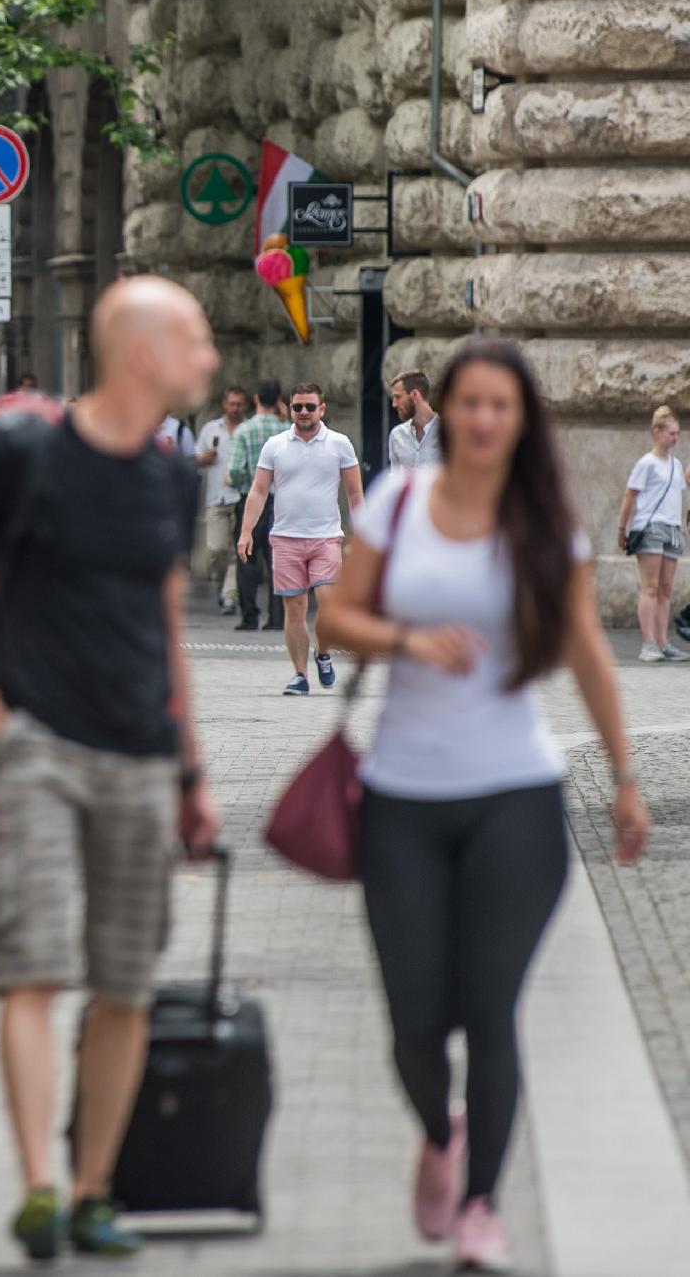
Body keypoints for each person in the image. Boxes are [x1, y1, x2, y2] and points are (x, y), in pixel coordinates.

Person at [0, 276, 219, 1262]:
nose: (207, 360)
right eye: (193, 341)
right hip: (33, 748)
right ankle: (36, 1184)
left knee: (124, 980)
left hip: (141, 758)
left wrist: (191, 769)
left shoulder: (169, 477)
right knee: (31, 966)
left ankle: (91, 1188)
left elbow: (164, 631)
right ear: (143, 353)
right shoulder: (25, 455)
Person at [316, 338, 650, 1271]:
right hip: (403, 798)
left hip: (516, 796)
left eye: (503, 405)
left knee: (491, 1005)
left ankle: (481, 1204)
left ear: (520, 419)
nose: (485, 419)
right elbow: (339, 617)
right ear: (446, 411)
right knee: (416, 1021)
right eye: (470, 403)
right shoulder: (399, 503)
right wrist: (409, 641)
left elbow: (587, 651)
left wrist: (625, 777)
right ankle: (438, 1129)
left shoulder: (543, 522)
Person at [236, 382, 362, 694]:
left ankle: (322, 652)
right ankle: (300, 675)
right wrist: (246, 531)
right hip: (285, 537)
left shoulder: (340, 443)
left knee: (329, 605)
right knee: (295, 608)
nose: (303, 412)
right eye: (297, 407)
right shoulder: (275, 445)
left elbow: (354, 493)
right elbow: (259, 490)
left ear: (322, 409)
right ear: (289, 409)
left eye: (309, 406)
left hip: (326, 537)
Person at [619, 405, 689, 663]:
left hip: (672, 528)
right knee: (650, 586)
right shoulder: (646, 463)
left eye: (678, 433)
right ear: (656, 432)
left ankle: (663, 642)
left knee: (666, 588)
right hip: (649, 527)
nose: (676, 438)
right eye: (671, 433)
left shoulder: (676, 464)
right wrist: (621, 528)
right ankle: (648, 643)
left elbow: (680, 490)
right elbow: (630, 496)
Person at [227, 382, 286, 632]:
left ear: (255, 399)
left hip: (251, 499)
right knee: (277, 560)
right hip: (281, 501)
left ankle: (249, 615)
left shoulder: (244, 430)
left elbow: (236, 469)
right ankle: (276, 617)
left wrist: (242, 485)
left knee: (247, 558)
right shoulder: (287, 430)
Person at [194, 386, 247, 615]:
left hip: (240, 496)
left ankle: (229, 596)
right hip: (216, 497)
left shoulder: (248, 429)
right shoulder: (210, 429)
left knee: (237, 550)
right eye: (231, 404)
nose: (235, 408)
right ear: (224, 405)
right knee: (216, 549)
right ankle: (220, 583)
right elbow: (196, 456)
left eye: (239, 404)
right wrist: (205, 458)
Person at [387, 369, 442, 472]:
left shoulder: (449, 433)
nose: (394, 404)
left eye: (398, 397)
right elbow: (395, 478)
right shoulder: (397, 435)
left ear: (415, 395)